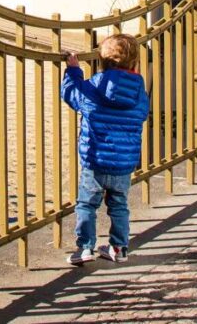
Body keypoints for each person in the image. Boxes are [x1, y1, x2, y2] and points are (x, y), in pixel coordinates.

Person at [61, 33, 150, 265]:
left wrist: (73, 71)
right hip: (123, 161)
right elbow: (142, 113)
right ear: (134, 62)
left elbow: (73, 95)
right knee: (119, 204)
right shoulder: (138, 88)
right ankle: (119, 248)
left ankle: (85, 248)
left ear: (102, 61)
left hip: (95, 159)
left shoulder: (97, 85)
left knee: (87, 204)